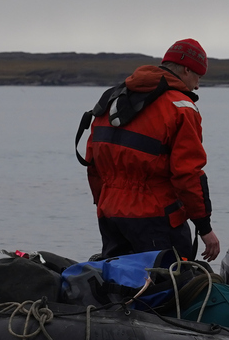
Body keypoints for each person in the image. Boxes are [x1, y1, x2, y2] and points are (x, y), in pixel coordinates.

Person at [77, 38, 220, 262]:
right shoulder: (181, 107)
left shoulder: (112, 98)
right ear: (185, 69)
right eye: (198, 77)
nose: (197, 85)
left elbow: (92, 162)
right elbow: (188, 174)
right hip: (156, 216)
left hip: (110, 212)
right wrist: (204, 228)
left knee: (118, 283)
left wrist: (104, 201)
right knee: (169, 287)